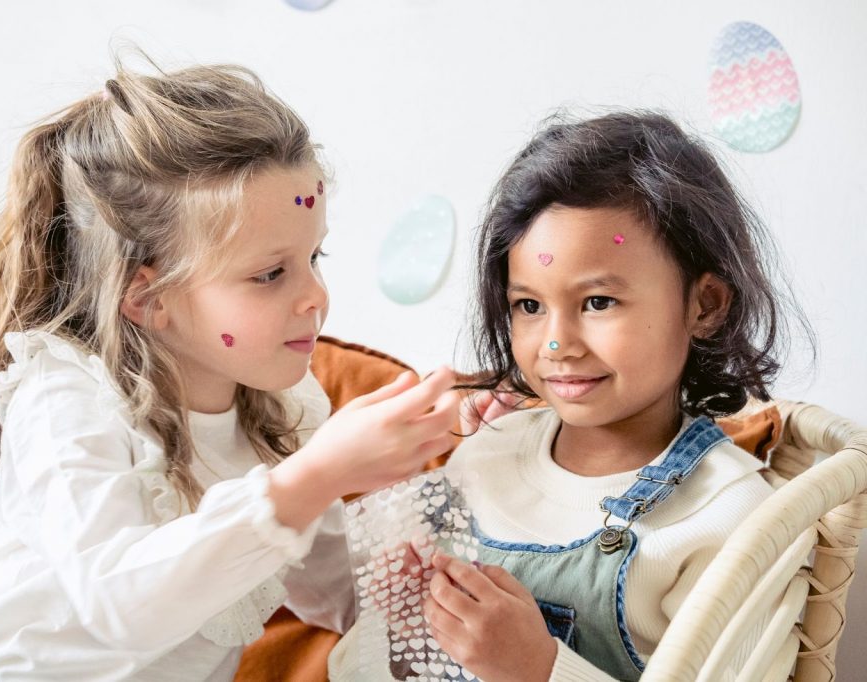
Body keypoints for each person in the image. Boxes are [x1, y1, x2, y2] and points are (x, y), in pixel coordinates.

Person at [0, 60, 459, 681]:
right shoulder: (66, 402)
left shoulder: (281, 407)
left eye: (315, 256)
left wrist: (470, 482)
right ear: (148, 299)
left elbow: (334, 585)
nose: (316, 297)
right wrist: (317, 474)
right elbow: (122, 608)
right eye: (270, 274)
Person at [329, 111, 809, 681]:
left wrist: (539, 667)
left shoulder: (729, 516)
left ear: (703, 305)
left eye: (599, 302)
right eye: (529, 306)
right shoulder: (490, 449)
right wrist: (402, 616)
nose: (556, 344)